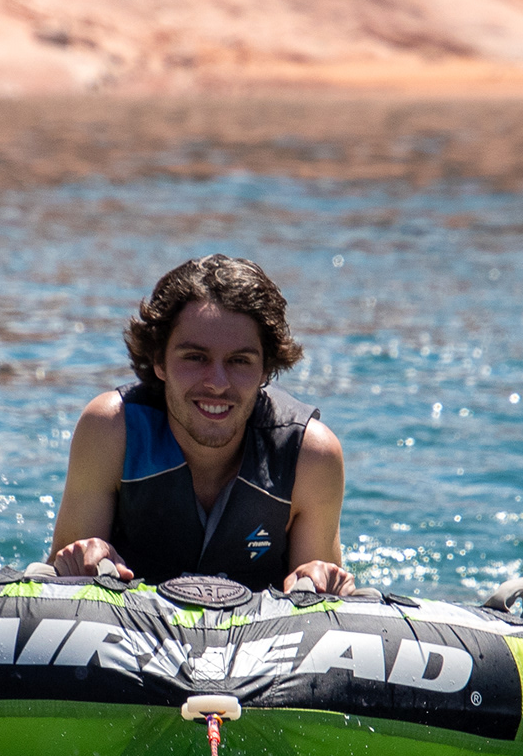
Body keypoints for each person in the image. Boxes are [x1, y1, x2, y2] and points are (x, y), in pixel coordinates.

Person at [48, 254, 356, 594]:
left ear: (266, 369)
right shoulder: (111, 429)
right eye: (195, 358)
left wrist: (317, 577)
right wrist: (82, 559)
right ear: (158, 361)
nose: (217, 382)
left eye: (240, 361)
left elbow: (320, 609)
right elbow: (59, 585)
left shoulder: (310, 456)